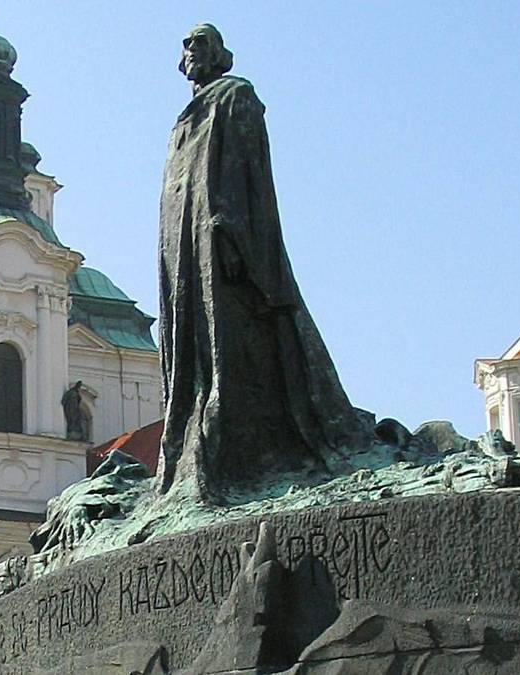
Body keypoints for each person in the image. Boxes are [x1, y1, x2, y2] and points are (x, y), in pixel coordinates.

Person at [157, 24, 365, 501]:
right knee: (195, 348)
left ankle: (242, 443)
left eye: (201, 42)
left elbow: (253, 176)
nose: (191, 50)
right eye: (186, 45)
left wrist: (236, 234)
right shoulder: (183, 121)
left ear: (219, 54)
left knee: (236, 346)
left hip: (225, 241)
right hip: (184, 253)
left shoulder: (236, 99)